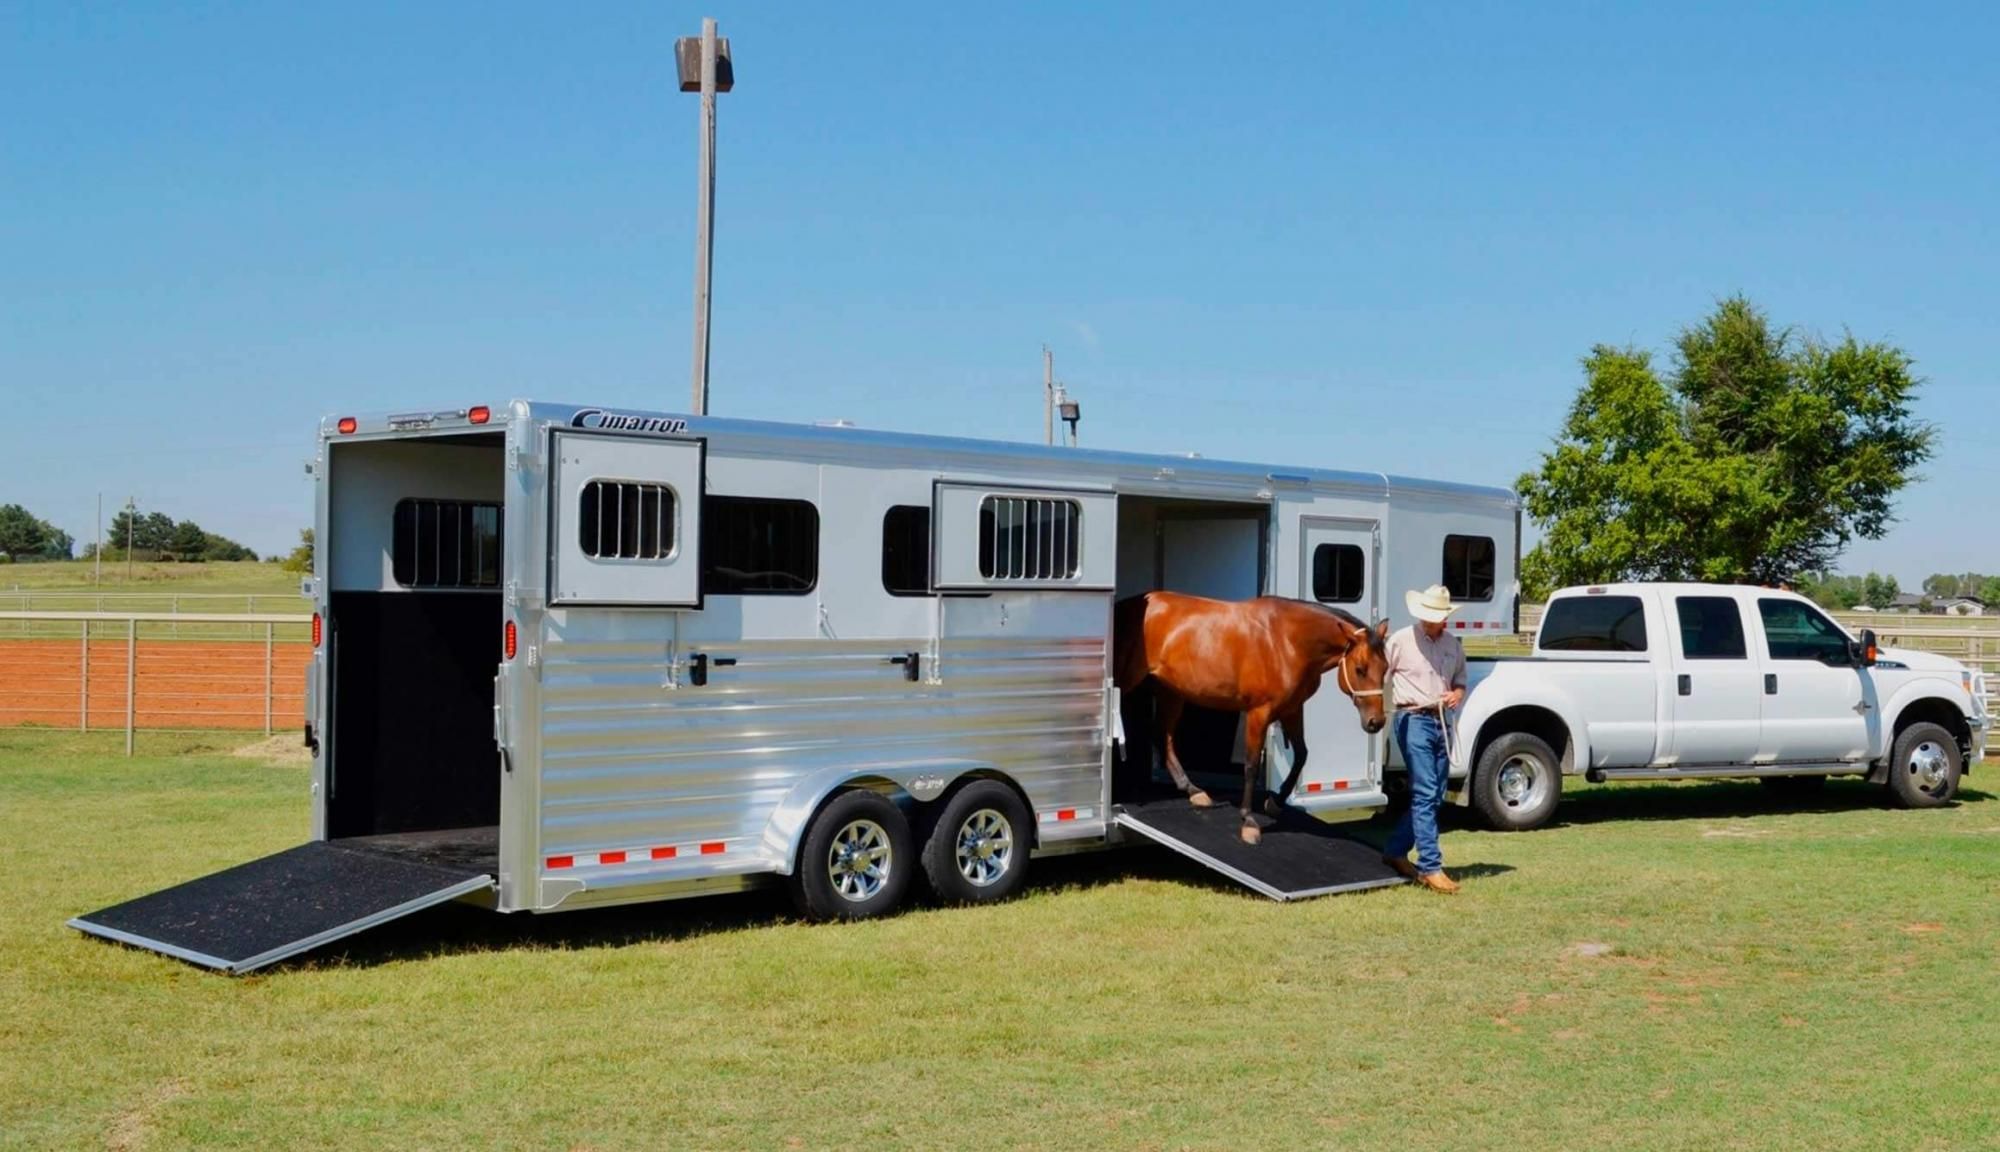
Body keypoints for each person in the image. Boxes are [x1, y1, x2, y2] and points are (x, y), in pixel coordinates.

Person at [1382, 584, 1466, 894]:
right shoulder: (1399, 641)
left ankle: (1395, 851)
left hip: (1442, 720)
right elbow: (1379, 674)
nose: (1433, 621)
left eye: (1438, 616)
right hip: (1413, 719)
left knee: (1435, 793)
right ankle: (1431, 866)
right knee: (1427, 791)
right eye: (1429, 615)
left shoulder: (1453, 645)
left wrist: (1457, 695)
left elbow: (1460, 681)